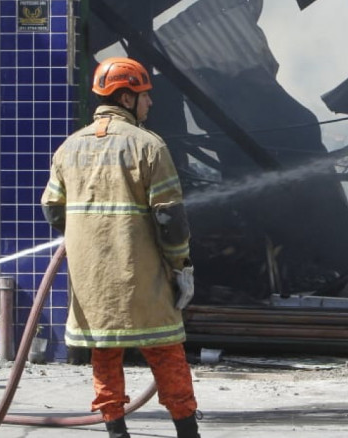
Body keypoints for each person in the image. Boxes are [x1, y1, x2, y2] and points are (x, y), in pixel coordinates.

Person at [42, 56, 200, 438]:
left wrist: (83, 237)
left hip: (91, 281)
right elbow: (170, 220)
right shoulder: (149, 146)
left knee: (104, 353)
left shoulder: (68, 148)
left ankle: (116, 431)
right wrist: (180, 266)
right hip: (142, 276)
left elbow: (52, 209)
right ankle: (187, 433)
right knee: (166, 349)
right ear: (126, 98)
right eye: (145, 95)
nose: (150, 102)